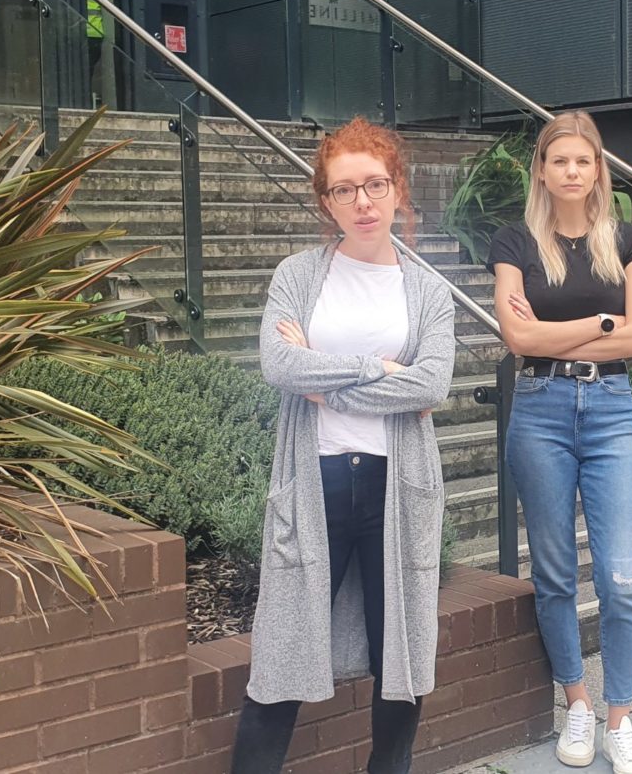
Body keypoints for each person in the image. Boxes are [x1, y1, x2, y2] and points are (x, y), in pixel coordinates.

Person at [234, 116, 455, 774]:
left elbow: (433, 383)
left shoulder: (427, 290)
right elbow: (279, 364)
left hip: (398, 490)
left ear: (397, 189)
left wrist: (328, 384)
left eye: (375, 184)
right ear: (324, 201)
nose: (362, 201)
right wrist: (379, 371)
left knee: (403, 664)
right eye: (344, 190)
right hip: (315, 486)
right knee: (278, 658)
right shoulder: (299, 275)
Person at [488, 111, 632, 774]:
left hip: (611, 410)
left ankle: (621, 718)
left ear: (598, 170)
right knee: (555, 574)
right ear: (542, 169)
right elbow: (519, 341)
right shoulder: (514, 242)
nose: (572, 171)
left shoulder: (628, 241)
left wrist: (570, 332)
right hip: (539, 410)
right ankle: (577, 702)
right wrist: (601, 320)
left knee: (621, 576)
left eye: (583, 161)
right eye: (560, 160)